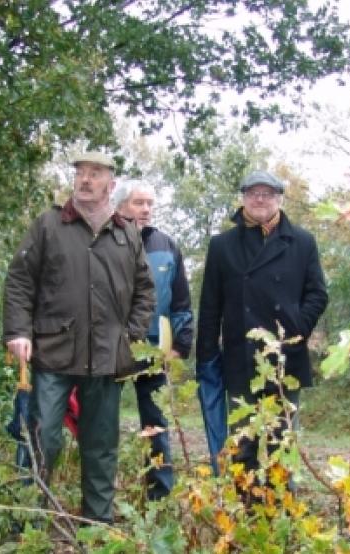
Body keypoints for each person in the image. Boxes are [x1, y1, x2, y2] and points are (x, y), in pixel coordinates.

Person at [3, 151, 155, 523]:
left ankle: (96, 527)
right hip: (53, 352)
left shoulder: (127, 233)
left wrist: (129, 338)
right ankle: (29, 525)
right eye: (81, 173)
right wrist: (18, 331)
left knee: (101, 446)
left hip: (107, 358)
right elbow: (20, 281)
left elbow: (145, 292)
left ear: (110, 184)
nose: (86, 180)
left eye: (96, 174)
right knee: (43, 439)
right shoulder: (48, 225)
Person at [194, 169, 328, 491]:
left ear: (279, 198)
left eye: (267, 193)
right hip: (240, 360)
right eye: (253, 193)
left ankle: (284, 519)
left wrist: (296, 328)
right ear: (243, 199)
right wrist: (207, 359)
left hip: (286, 359)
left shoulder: (302, 241)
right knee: (242, 446)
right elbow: (210, 307)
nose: (259, 199)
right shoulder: (222, 245)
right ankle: (243, 519)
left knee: (282, 445)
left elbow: (318, 294)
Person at [112, 179, 194, 501]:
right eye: (138, 202)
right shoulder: (105, 241)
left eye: (150, 203)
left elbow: (181, 301)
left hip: (154, 349)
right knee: (104, 419)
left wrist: (179, 345)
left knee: (156, 422)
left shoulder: (167, 246)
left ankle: (159, 494)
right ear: (120, 206)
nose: (146, 209)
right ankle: (105, 491)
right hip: (113, 348)